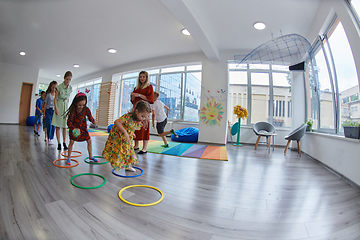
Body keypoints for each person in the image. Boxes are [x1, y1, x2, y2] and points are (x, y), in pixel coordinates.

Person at [102, 100, 151, 171]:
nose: (144, 118)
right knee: (119, 149)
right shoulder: (127, 117)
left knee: (129, 149)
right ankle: (116, 162)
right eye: (142, 116)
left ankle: (128, 166)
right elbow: (116, 122)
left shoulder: (137, 118)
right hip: (118, 134)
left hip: (127, 135)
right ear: (136, 111)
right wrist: (125, 132)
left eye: (146, 117)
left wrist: (132, 133)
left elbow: (130, 126)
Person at [64, 92, 98, 165]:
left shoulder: (86, 109)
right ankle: (69, 158)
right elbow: (69, 123)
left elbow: (90, 117)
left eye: (83, 105)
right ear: (76, 103)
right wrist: (74, 129)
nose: (81, 107)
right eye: (79, 105)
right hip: (74, 129)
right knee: (71, 142)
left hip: (83, 128)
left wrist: (94, 121)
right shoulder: (73, 111)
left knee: (89, 140)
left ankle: (91, 156)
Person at [130, 71, 154, 154]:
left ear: (146, 78)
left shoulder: (149, 86)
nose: (142, 78)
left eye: (144, 77)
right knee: (135, 127)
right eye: (140, 77)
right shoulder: (136, 87)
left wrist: (138, 95)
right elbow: (132, 101)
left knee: (144, 128)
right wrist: (133, 96)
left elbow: (150, 99)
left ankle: (144, 148)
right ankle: (136, 146)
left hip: (144, 110)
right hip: (136, 110)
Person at [52, 71, 73, 151]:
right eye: (67, 79)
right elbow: (55, 98)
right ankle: (59, 143)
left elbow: (68, 98)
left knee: (64, 126)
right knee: (58, 126)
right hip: (59, 105)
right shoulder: (59, 87)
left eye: (69, 80)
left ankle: (64, 142)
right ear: (64, 78)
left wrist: (68, 108)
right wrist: (56, 108)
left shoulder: (70, 88)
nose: (68, 81)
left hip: (65, 106)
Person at [42, 81, 57, 145]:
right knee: (49, 124)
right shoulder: (48, 95)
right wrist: (44, 113)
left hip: (53, 111)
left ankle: (51, 138)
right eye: (53, 88)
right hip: (48, 111)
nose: (53, 89)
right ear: (50, 87)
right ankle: (48, 138)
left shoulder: (56, 95)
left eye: (55, 88)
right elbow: (45, 104)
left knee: (53, 125)